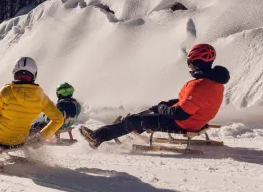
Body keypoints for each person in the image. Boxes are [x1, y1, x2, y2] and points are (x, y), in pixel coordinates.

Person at [79, 44, 230, 148]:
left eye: (190, 63)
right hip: (197, 119)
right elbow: (198, 102)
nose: (189, 67)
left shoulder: (198, 85)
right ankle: (133, 130)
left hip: (184, 123)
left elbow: (180, 114)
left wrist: (162, 107)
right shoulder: (215, 83)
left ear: (197, 64)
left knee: (133, 120)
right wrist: (167, 104)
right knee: (149, 114)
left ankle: (98, 137)